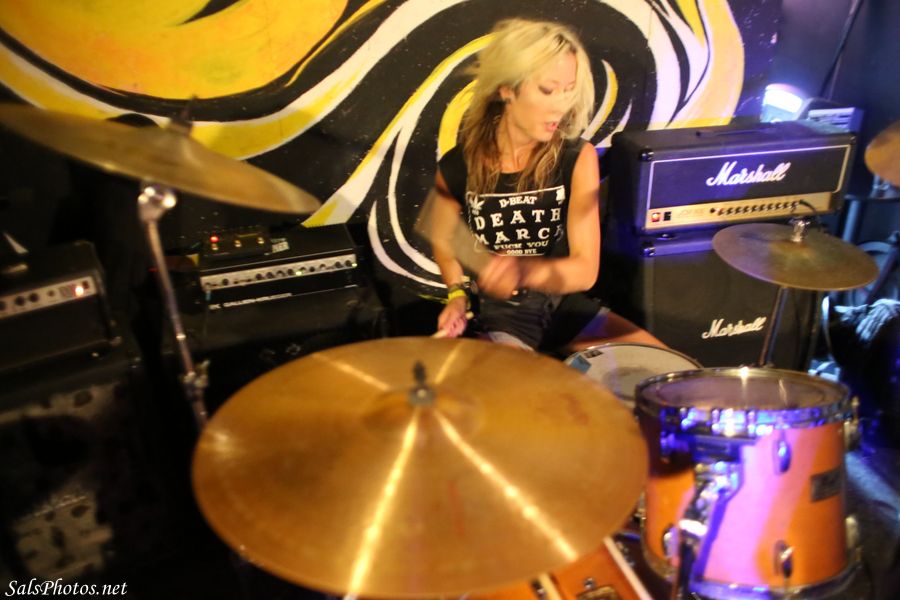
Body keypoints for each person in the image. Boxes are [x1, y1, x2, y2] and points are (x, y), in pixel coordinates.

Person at [430, 18, 662, 352]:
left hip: (562, 308)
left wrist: (522, 269)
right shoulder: (458, 166)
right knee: (522, 383)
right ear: (506, 88)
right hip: (502, 315)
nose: (562, 105)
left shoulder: (576, 157)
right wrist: (456, 294)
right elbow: (441, 233)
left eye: (569, 90)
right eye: (547, 90)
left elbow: (585, 271)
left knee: (664, 366)